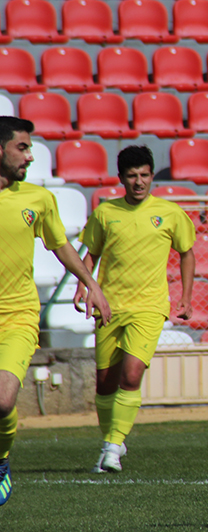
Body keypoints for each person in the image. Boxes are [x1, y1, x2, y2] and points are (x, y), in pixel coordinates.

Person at [0, 116, 110, 505]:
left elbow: (60, 246)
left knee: (2, 400)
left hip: (18, 314)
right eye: (23, 147)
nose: (30, 156)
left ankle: (1, 460)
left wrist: (91, 283)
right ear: (0, 149)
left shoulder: (37, 199)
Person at [75, 146, 195, 474]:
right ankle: (111, 440)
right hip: (109, 306)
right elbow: (91, 253)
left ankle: (112, 447)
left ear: (152, 176)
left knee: (131, 375)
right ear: (121, 179)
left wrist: (185, 297)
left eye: (144, 175)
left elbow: (186, 252)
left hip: (150, 306)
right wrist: (83, 286)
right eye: (132, 176)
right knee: (104, 383)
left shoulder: (169, 213)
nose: (139, 182)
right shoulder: (104, 213)